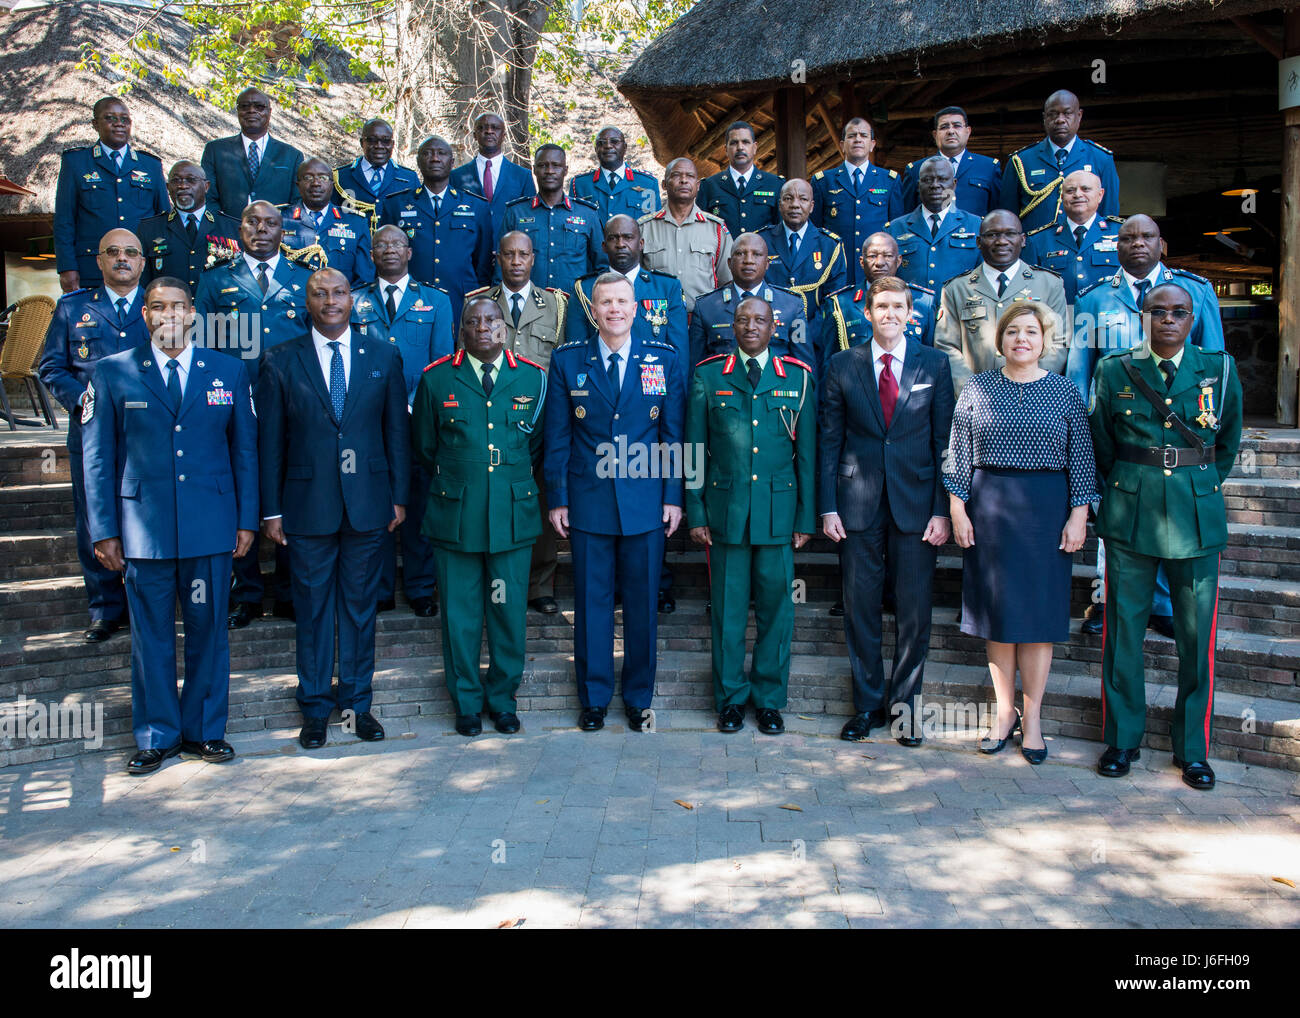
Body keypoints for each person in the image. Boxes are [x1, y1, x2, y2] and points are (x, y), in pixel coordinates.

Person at [80, 276, 258, 775]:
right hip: (144, 531)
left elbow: (244, 450)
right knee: (152, 636)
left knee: (207, 633)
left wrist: (246, 519)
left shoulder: (228, 370)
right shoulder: (112, 373)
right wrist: (104, 530)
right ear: (146, 316)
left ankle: (205, 730)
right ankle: (157, 735)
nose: (168, 315)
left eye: (177, 306)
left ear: (193, 314)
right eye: (157, 307)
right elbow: (97, 460)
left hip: (210, 526)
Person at [1089, 283, 1242, 790]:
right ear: (1144, 315)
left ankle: (1192, 750)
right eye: (1159, 312)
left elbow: (1228, 442)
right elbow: (1103, 445)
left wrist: (1200, 485)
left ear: (1192, 317)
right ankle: (1122, 740)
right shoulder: (1114, 369)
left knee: (1197, 642)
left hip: (1196, 517)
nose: (1169, 320)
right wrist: (1128, 487)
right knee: (1123, 636)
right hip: (1131, 511)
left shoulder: (1218, 368)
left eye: (1179, 312)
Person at [257, 268, 410, 750]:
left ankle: (358, 706)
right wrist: (271, 511)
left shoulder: (383, 355)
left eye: (339, 292)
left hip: (368, 507)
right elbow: (270, 445)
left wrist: (399, 497)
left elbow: (396, 437)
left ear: (352, 299)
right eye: (319, 293)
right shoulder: (280, 360)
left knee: (361, 611)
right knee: (314, 612)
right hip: (306, 509)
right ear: (307, 301)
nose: (330, 300)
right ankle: (316, 709)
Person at [944, 302, 1095, 764]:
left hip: (1046, 513)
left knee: (1037, 620)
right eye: (1012, 332)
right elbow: (958, 453)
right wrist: (957, 508)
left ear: (1044, 341)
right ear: (1000, 339)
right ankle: (1003, 714)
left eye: (1031, 332)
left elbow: (1083, 459)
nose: (1021, 339)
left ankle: (1034, 721)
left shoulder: (1065, 392)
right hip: (989, 509)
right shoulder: (977, 387)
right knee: (999, 618)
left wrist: (1078, 515)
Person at [1068, 213, 1225, 637]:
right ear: (1115, 246)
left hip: (1180, 433)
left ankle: (1164, 605)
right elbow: (1080, 371)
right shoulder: (1094, 299)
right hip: (1119, 431)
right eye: (1128, 238)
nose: (1137, 243)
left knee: (1170, 521)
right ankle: (1108, 602)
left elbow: (1215, 366)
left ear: (1162, 245)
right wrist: (1081, 426)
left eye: (1147, 236)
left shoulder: (1196, 291)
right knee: (1115, 520)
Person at [544, 273, 685, 732]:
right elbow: (559, 437)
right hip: (589, 502)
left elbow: (673, 435)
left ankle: (639, 696)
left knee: (643, 604)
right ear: (594, 309)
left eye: (623, 301)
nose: (615, 310)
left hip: (646, 503)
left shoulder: (662, 359)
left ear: (637, 307)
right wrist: (559, 497)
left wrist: (673, 497)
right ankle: (595, 697)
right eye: (606, 303)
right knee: (592, 603)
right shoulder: (568, 362)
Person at [820, 277, 954, 746]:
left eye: (898, 305)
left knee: (914, 614)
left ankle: (905, 710)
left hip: (917, 508)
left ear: (910, 311)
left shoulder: (934, 363)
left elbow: (944, 444)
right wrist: (827, 506)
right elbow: (829, 440)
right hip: (856, 507)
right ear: (869, 313)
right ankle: (867, 706)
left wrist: (943, 510)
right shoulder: (841, 365)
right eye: (882, 306)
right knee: (860, 610)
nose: (890, 313)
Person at [412, 296, 547, 736]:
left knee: (507, 614)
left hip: (511, 514)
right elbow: (426, 447)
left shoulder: (533, 377)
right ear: (461, 330)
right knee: (461, 614)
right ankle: (467, 702)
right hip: (458, 514)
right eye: (473, 322)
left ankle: (503, 700)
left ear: (504, 328)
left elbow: (537, 447)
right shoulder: (436, 379)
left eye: (491, 320)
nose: (483, 328)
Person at [686, 297, 815, 735]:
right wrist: (695, 509)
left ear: (774, 325)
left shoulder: (795, 379)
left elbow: (808, 457)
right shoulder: (708, 375)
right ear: (732, 326)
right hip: (726, 514)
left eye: (760, 319)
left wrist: (805, 518)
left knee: (779, 611)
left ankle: (769, 700)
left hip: (779, 515)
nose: (751, 326)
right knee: (728, 611)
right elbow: (693, 452)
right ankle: (730, 699)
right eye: (743, 320)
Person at [195, 201, 312, 628]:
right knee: (239, 495)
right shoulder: (215, 280)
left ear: (285, 231)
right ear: (239, 229)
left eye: (271, 224)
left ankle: (287, 590)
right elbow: (204, 349)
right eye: (253, 223)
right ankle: (245, 593)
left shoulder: (305, 279)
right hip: (234, 405)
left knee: (292, 494)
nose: (261, 230)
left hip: (294, 405)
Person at [39, 230, 151, 641]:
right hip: (91, 433)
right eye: (113, 253)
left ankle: (145, 603)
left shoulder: (158, 307)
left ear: (143, 262)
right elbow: (51, 368)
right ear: (99, 261)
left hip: (148, 434)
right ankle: (105, 608)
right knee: (93, 518)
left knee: (146, 517)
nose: (122, 259)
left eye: (131, 253)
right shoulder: (73, 308)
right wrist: (83, 401)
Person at [352, 225, 454, 618]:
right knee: (373, 503)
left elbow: (442, 364)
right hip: (368, 421)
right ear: (372, 253)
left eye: (397, 244)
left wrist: (416, 407)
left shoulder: (435, 301)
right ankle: (379, 589)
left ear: (410, 252)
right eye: (381, 244)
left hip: (420, 420)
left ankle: (419, 586)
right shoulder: (356, 299)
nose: (389, 250)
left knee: (421, 504)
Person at [466, 231, 569, 614]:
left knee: (539, 498)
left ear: (534, 257)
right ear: (497, 257)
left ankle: (539, 584)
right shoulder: (478, 305)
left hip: (541, 419)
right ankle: (491, 582)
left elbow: (564, 364)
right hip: (492, 419)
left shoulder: (558, 307)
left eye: (523, 254)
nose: (515, 261)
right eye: (507, 254)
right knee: (489, 498)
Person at [935, 209, 1068, 394]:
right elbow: (946, 346)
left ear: (1022, 240)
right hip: (977, 401)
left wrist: (1031, 387)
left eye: (1010, 234)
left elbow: (1057, 343)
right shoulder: (956, 289)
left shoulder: (1050, 284)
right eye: (992, 235)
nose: (1001, 241)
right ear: (979, 242)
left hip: (1033, 398)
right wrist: (972, 392)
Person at [54, 97, 168, 292]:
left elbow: (164, 220)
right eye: (110, 118)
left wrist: (164, 268)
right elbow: (64, 221)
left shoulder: (150, 165)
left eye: (125, 119)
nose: (119, 124)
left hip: (141, 270)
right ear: (95, 124)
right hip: (92, 270)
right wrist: (67, 268)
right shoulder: (76, 162)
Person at [380, 136, 492, 323]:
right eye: (427, 153)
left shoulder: (475, 206)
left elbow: (483, 265)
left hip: (460, 302)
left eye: (441, 153)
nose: (435, 158)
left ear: (452, 162)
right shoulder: (397, 204)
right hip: (411, 301)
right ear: (418, 161)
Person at [567, 215, 688, 361]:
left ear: (641, 244)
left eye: (628, 237)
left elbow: (679, 354)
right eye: (613, 238)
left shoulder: (667, 288)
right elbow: (576, 353)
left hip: (652, 377)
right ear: (603, 246)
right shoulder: (584, 289)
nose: (620, 244)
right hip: (600, 377)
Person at [999, 89, 1120, 234]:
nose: (1060, 119)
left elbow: (1109, 214)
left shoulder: (1100, 159)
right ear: (1044, 118)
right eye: (1053, 114)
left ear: (1079, 116)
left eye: (1067, 113)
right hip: (1034, 250)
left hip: (1084, 247)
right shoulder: (1021, 160)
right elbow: (1007, 216)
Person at [820, 234, 937, 376]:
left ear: (898, 260)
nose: (880, 262)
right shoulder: (839, 305)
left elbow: (932, 360)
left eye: (887, 256)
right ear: (862, 262)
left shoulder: (923, 302)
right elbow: (829, 366)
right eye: (872, 256)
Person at [689, 233, 809, 369]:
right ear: (729, 263)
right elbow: (695, 368)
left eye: (756, 254)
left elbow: (805, 367)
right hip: (723, 388)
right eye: (740, 254)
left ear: (767, 264)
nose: (748, 260)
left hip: (775, 387)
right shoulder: (706, 307)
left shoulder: (792, 305)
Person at [810, 117, 904, 288]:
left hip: (877, 271)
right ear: (842, 144)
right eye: (852, 136)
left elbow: (896, 231)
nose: (858, 139)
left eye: (863, 135)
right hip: (836, 270)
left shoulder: (889, 180)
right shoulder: (823, 181)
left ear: (872, 144)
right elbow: (816, 232)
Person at [499, 145, 605, 296]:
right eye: (543, 165)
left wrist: (589, 300)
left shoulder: (587, 214)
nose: (549, 171)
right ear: (534, 170)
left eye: (556, 165)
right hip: (529, 307)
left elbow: (602, 266)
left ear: (565, 170)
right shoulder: (516, 212)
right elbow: (501, 266)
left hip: (575, 305)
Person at [639, 157, 733, 312]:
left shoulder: (716, 228)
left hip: (702, 321)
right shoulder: (645, 228)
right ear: (664, 184)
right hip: (657, 319)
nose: (683, 180)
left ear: (698, 186)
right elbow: (634, 278)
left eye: (690, 176)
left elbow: (728, 281)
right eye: (676, 175)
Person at [140, 161, 241, 295]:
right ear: (168, 187)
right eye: (176, 180)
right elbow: (143, 284)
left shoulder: (231, 227)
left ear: (206, 186)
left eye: (191, 180)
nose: (182, 185)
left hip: (216, 313)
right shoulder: (149, 229)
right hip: (170, 311)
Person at [200, 87, 303, 218]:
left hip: (276, 234)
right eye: (244, 106)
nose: (251, 110)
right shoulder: (215, 150)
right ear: (238, 111)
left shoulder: (292, 156)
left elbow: (296, 202)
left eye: (259, 107)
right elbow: (208, 198)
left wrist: (276, 230)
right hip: (227, 234)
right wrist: (224, 228)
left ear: (269, 112)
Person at [755, 178, 847, 323]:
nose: (795, 205)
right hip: (770, 333)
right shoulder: (760, 241)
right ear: (780, 205)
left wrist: (808, 334)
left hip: (816, 337)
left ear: (811, 206)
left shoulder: (830, 245)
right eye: (788, 199)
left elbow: (834, 300)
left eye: (803, 199)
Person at [886, 156, 982, 291]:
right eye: (927, 180)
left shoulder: (976, 225)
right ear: (918, 186)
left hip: (959, 310)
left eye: (942, 179)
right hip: (912, 309)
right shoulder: (895, 229)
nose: (935, 185)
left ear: (954, 184)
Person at [1025, 171, 1121, 302]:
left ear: (1100, 195)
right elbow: (1030, 289)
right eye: (1070, 191)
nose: (1077, 194)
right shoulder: (1038, 240)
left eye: (1085, 189)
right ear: (1062, 197)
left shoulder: (1121, 234)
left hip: (1107, 317)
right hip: (1058, 319)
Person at [281, 158, 375, 288]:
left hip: (339, 305)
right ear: (298, 184)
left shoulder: (356, 223)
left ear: (332, 184)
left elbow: (364, 279)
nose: (316, 183)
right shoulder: (280, 220)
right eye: (308, 177)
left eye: (323, 178)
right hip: (291, 304)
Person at [899, 106, 1001, 217]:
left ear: (968, 131)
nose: (951, 131)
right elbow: (906, 216)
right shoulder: (916, 170)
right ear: (935, 134)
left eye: (957, 126)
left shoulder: (988, 167)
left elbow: (998, 213)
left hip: (975, 233)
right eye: (944, 127)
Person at [449, 112, 537, 240]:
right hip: (469, 254)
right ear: (474, 135)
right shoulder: (456, 177)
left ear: (504, 135)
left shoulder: (522, 176)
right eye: (483, 128)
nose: (489, 131)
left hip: (508, 254)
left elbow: (530, 219)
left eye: (495, 128)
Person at [698, 121, 784, 237]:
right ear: (726, 149)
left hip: (764, 254)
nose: (740, 147)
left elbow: (782, 231)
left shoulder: (775, 184)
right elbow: (701, 231)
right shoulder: (709, 186)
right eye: (734, 143)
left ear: (754, 147)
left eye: (745, 142)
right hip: (724, 255)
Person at [333, 118, 421, 220]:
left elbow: (418, 218)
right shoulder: (341, 177)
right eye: (372, 140)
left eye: (386, 140)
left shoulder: (409, 178)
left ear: (392, 144)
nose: (379, 146)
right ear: (362, 142)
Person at [569, 126, 662, 221]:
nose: (608, 146)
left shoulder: (647, 183)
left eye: (614, 141)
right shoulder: (580, 184)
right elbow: (574, 225)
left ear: (625, 147)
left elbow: (654, 227)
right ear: (596, 149)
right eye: (601, 143)